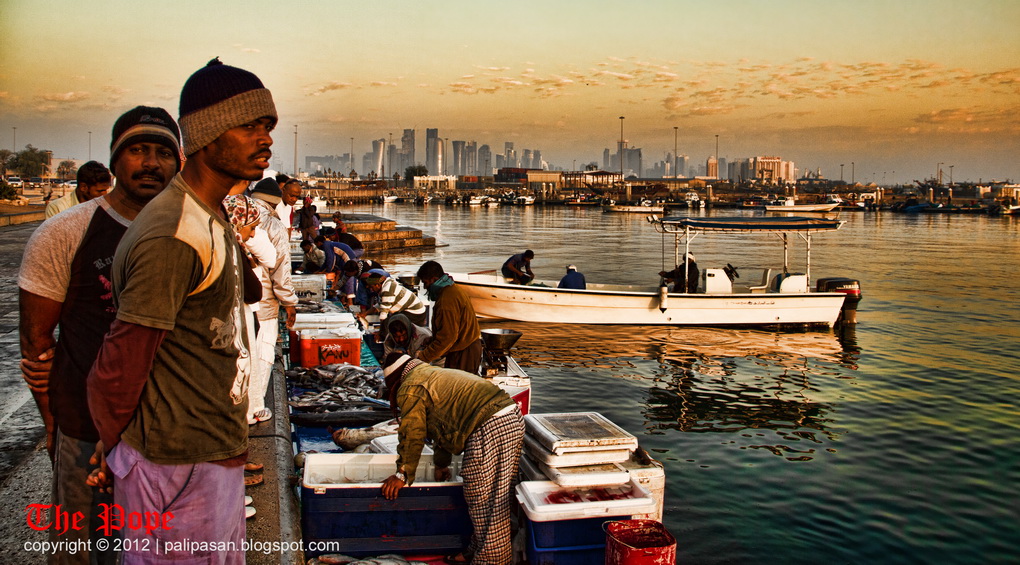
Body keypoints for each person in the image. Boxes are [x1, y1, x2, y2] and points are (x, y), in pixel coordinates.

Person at [86, 58, 278, 563]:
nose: (266, 140)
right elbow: (120, 362)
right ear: (206, 135)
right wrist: (115, 450)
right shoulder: (173, 232)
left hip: (209, 456)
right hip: (174, 466)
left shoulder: (209, 213)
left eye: (269, 127)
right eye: (250, 126)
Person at [18, 105, 182, 565]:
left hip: (168, 432)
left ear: (178, 163)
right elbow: (36, 343)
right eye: (137, 150)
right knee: (83, 549)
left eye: (162, 152)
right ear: (114, 160)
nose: (151, 162)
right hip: (84, 425)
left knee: (156, 548)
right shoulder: (64, 233)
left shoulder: (190, 231)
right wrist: (53, 421)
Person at [380, 353, 524, 565]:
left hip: (491, 426)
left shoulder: (410, 386)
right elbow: (442, 423)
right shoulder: (428, 374)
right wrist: (441, 463)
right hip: (512, 418)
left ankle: (492, 560)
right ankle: (475, 551)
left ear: (394, 381)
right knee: (497, 496)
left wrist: (402, 474)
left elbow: (413, 433)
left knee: (486, 500)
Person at [248, 176, 298, 423]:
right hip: (264, 300)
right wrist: (289, 302)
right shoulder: (272, 223)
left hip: (239, 299)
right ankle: (255, 407)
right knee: (263, 351)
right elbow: (280, 269)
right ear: (274, 202)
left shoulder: (236, 213)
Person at [416, 260, 483, 374]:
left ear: (434, 279)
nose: (425, 287)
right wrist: (433, 339)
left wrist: (423, 357)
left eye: (425, 283)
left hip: (464, 352)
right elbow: (452, 329)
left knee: (459, 389)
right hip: (465, 348)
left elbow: (447, 338)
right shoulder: (452, 288)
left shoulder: (446, 301)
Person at [363, 272, 428, 339]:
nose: (371, 290)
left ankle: (385, 339)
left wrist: (380, 333)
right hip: (408, 310)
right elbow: (380, 305)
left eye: (372, 287)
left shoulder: (387, 290)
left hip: (415, 313)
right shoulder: (387, 283)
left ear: (377, 285)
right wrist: (365, 314)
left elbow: (383, 315)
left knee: (391, 322)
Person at [45, 160, 112, 218]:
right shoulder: (57, 208)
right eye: (100, 191)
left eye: (106, 190)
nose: (104, 194)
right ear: (83, 187)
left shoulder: (106, 207)